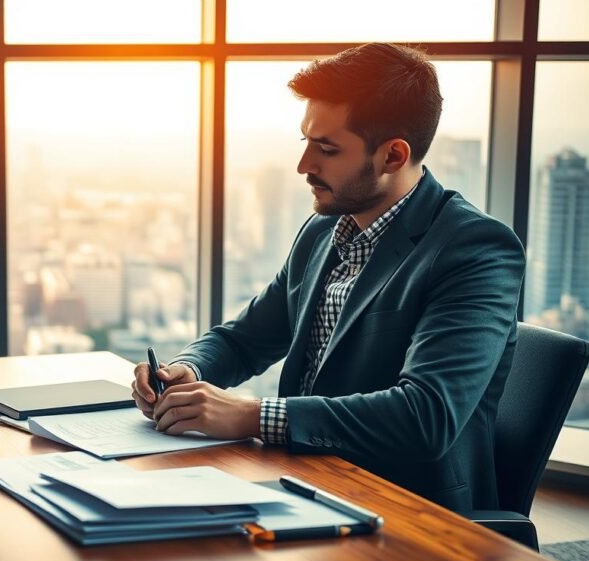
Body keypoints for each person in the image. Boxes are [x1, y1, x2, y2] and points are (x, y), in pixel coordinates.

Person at [131, 42, 525, 512]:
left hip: (409, 509)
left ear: (393, 156)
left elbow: (426, 417)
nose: (304, 167)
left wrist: (254, 417)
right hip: (307, 479)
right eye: (306, 143)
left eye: (327, 149)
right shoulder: (323, 230)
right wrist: (187, 371)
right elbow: (245, 340)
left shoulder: (475, 249)